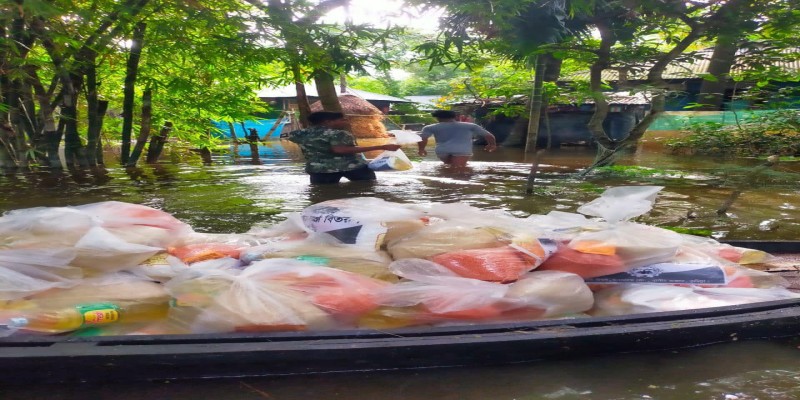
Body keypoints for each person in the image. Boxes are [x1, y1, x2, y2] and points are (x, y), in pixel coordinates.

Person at [288, 111, 401, 184]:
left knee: (323, 194)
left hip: (318, 169)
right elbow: (339, 150)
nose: (344, 121)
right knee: (368, 189)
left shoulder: (298, 134)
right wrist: (382, 146)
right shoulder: (340, 134)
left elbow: (297, 139)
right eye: (341, 119)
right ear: (328, 121)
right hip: (351, 167)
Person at [417, 110, 497, 168]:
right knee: (459, 169)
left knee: (448, 167)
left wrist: (421, 149)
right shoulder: (470, 126)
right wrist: (492, 145)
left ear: (437, 118)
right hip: (462, 151)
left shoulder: (430, 127)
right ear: (455, 117)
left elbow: (422, 138)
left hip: (442, 151)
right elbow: (489, 136)